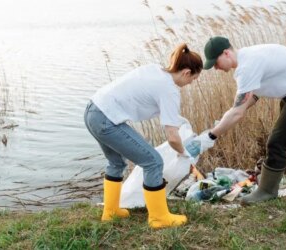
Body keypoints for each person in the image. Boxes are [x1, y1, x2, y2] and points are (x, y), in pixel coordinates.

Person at [84, 43, 203, 229]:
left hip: (93, 110)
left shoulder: (154, 70)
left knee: (116, 163)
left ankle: (110, 211)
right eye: (193, 79)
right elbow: (172, 137)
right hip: (107, 119)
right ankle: (159, 218)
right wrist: (185, 154)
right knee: (153, 162)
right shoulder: (170, 89)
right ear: (186, 72)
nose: (191, 83)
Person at [199, 36, 286, 205]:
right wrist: (230, 115)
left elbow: (238, 112)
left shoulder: (247, 67)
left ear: (226, 53)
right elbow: (248, 100)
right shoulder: (248, 58)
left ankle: (267, 191)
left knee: (277, 142)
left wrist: (211, 136)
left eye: (215, 63)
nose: (215, 68)